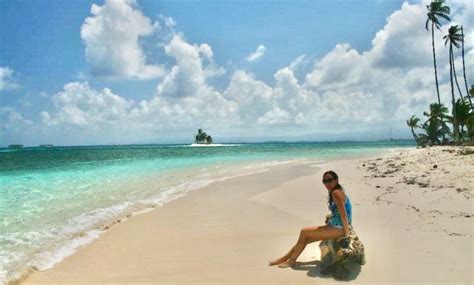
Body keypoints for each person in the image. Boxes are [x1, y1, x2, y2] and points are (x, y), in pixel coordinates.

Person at [268, 170, 352, 268]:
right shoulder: (336, 191)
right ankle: (284, 258)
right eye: (325, 181)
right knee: (306, 239)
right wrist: (331, 218)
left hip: (339, 228)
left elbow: (344, 215)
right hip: (336, 226)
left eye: (330, 180)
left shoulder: (336, 193)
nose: (327, 183)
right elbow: (339, 211)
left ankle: (291, 261)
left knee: (304, 232)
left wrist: (346, 234)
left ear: (336, 180)